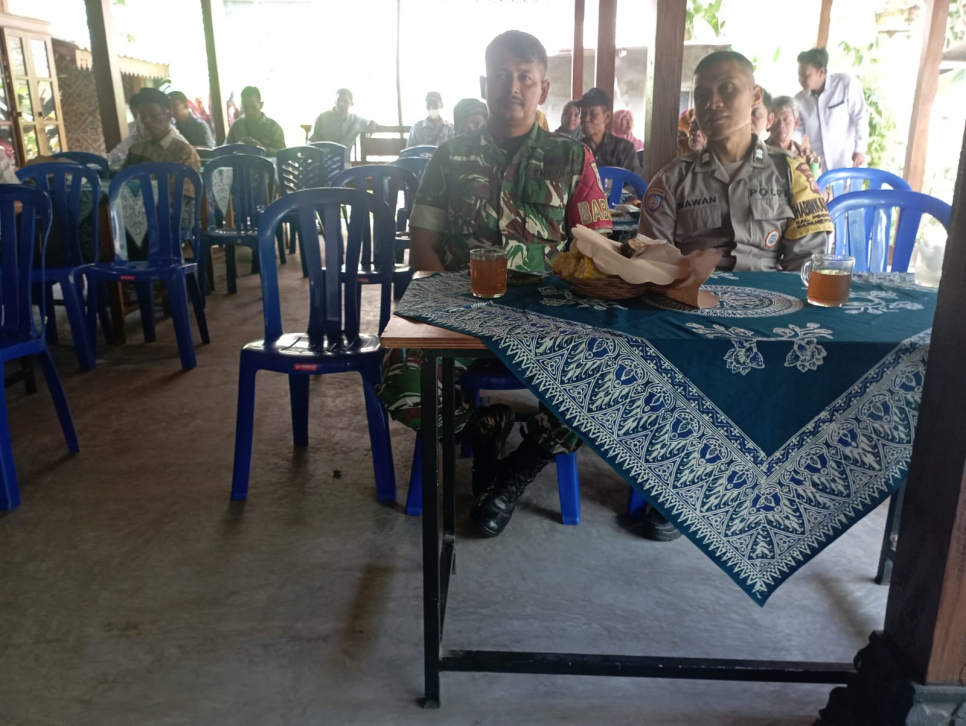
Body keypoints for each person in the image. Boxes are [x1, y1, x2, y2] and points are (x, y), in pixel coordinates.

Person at [377, 30, 613, 538]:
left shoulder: (573, 159)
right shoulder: (449, 156)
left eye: (525, 77)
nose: (513, 86)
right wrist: (444, 308)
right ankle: (482, 427)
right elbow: (423, 242)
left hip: (546, 317)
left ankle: (518, 466)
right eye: (502, 76)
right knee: (399, 380)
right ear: (485, 84)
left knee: (610, 378)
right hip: (460, 314)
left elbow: (597, 250)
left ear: (542, 89)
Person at [795, 47, 868, 172]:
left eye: (806, 75)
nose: (801, 80)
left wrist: (860, 149)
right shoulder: (800, 100)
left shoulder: (845, 84)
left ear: (821, 72)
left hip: (848, 163)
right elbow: (797, 131)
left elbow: (860, 117)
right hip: (819, 168)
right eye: (799, 75)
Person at [124, 88, 201, 173]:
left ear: (169, 115)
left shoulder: (185, 153)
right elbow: (124, 180)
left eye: (153, 114)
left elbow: (187, 181)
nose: (147, 120)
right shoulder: (136, 150)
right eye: (143, 115)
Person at [577, 87, 641, 174]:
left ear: (606, 117)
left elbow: (633, 181)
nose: (586, 119)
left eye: (593, 114)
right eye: (583, 113)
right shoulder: (575, 149)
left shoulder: (624, 149)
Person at [226, 86, 286, 155]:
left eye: (253, 107)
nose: (249, 111)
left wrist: (261, 148)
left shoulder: (273, 127)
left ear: (261, 105)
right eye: (245, 107)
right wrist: (238, 146)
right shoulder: (236, 126)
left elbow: (282, 153)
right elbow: (225, 150)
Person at [310, 88, 377, 149]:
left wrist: (372, 122)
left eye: (346, 101)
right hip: (324, 157)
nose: (342, 103)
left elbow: (369, 122)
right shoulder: (322, 117)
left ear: (351, 104)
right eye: (339, 100)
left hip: (345, 158)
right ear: (335, 102)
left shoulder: (356, 120)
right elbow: (312, 140)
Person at [766, 95, 821, 167]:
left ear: (796, 123)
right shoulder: (757, 152)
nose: (781, 125)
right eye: (775, 121)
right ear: (768, 124)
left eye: (786, 120)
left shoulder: (808, 156)